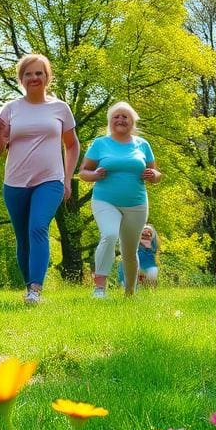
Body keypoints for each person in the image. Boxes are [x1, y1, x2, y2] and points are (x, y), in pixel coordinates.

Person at [0, 53, 80, 305]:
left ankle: (36, 290)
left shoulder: (60, 108)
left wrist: (67, 179)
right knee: (23, 237)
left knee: (38, 227)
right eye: (28, 74)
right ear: (21, 79)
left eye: (39, 73)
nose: (34, 78)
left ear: (47, 77)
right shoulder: (10, 109)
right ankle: (29, 286)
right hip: (15, 183)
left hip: (50, 180)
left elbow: (72, 145)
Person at [79, 102, 161, 298]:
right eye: (116, 116)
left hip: (137, 203)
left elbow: (157, 174)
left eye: (125, 116)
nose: (121, 120)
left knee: (129, 251)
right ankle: (99, 289)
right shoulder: (100, 143)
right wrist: (95, 175)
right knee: (109, 235)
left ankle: (130, 293)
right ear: (110, 121)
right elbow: (83, 172)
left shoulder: (142, 144)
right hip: (105, 200)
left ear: (132, 121)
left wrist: (153, 175)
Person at [118, 224, 159, 291]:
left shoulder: (152, 248)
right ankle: (129, 288)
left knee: (153, 272)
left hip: (147, 266)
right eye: (143, 234)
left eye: (149, 234)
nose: (146, 233)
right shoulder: (134, 245)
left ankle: (148, 291)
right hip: (131, 265)